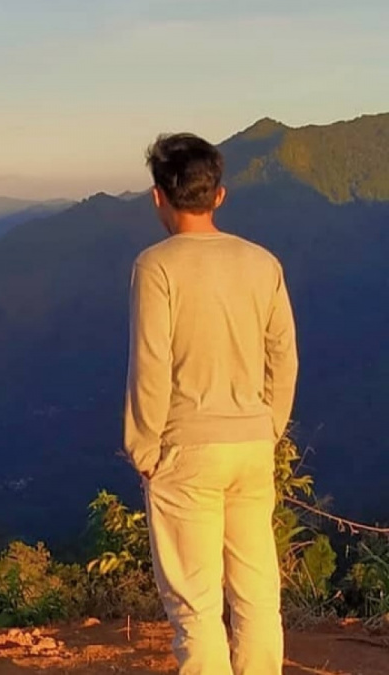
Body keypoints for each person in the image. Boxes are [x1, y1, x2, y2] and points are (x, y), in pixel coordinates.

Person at [124, 133, 298, 675]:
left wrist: (144, 448)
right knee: (257, 594)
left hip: (186, 450)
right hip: (252, 444)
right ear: (218, 195)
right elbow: (284, 358)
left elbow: (151, 363)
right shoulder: (262, 263)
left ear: (158, 196)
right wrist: (269, 426)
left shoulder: (156, 266)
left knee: (196, 607)